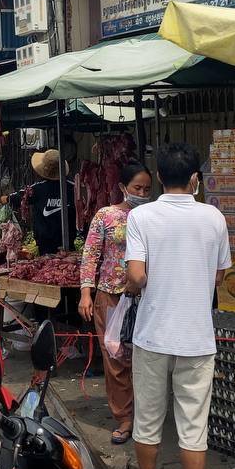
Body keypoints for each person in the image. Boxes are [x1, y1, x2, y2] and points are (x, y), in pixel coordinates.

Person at [125, 142, 230, 469]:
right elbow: (219, 276)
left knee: (147, 420)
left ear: (158, 176)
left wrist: (144, 284)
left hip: (152, 335)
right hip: (197, 338)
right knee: (194, 426)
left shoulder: (140, 217)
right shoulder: (214, 217)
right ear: (195, 178)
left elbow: (136, 276)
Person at [80, 161, 151, 445]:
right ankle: (125, 418)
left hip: (145, 297)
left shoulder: (153, 215)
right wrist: (86, 293)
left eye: (147, 189)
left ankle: (147, 415)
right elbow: (90, 255)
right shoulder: (106, 216)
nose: (142, 194)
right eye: (137, 188)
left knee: (145, 359)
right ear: (123, 187)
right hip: (111, 296)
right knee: (115, 358)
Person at [29, 149, 77, 255]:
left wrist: (4, 199)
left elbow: (17, 197)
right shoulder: (73, 188)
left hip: (45, 244)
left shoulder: (37, 189)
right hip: (68, 243)